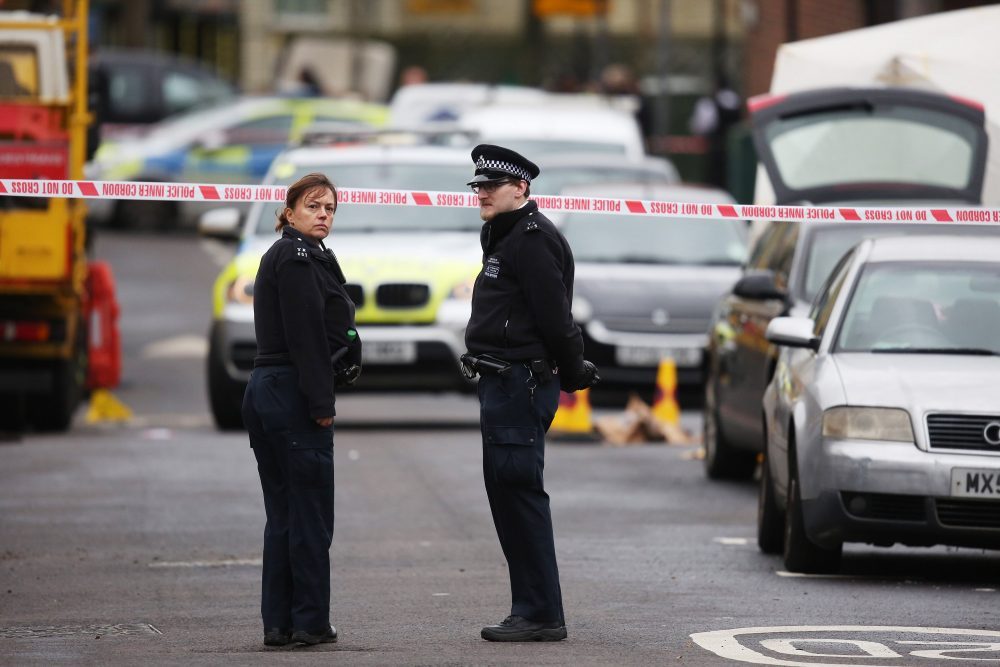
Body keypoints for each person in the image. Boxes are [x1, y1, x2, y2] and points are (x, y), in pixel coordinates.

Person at [461, 144, 600, 642]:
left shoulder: (532, 238)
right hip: (502, 379)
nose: (482, 194)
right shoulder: (506, 234)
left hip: (518, 380)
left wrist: (573, 369)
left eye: (491, 187)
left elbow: (554, 316)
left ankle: (540, 612)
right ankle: (530, 606)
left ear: (521, 188)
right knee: (507, 495)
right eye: (478, 187)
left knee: (519, 494)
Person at [241, 172, 362, 648]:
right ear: (289, 213)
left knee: (287, 513)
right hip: (290, 391)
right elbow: (306, 336)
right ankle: (308, 621)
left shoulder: (304, 256)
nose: (324, 215)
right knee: (308, 514)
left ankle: (281, 623)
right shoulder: (294, 258)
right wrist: (322, 402)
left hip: (275, 389)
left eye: (330, 208)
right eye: (313, 207)